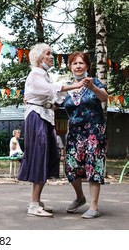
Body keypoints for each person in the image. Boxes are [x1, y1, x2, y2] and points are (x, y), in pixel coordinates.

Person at [17, 43, 84, 217]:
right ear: (39, 58)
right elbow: (51, 90)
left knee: (48, 155)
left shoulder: (44, 75)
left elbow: (54, 97)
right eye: (48, 54)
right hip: (37, 116)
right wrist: (75, 86)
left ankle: (37, 200)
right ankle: (33, 204)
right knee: (39, 155)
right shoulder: (35, 74)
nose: (51, 57)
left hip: (45, 116)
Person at [63, 51, 108, 219]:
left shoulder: (95, 82)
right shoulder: (68, 87)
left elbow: (104, 98)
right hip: (74, 134)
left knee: (93, 166)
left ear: (87, 66)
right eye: (75, 63)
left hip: (94, 133)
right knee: (71, 168)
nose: (78, 66)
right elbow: (55, 103)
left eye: (81, 63)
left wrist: (93, 88)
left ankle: (94, 206)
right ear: (70, 67)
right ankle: (80, 197)